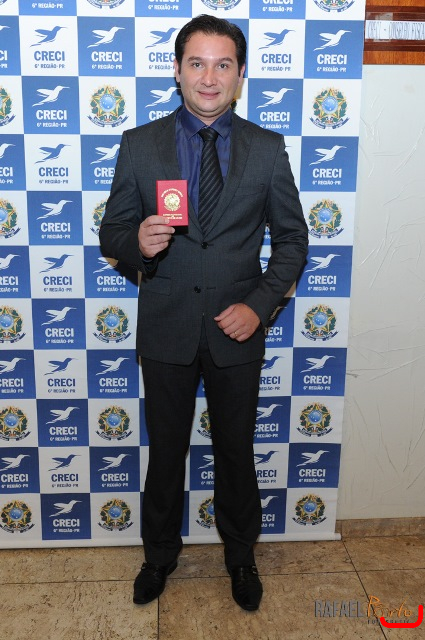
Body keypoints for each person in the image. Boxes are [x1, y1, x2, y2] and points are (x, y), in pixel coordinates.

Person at [99, 14, 308, 611]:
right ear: (177, 70)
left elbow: (293, 240)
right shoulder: (140, 143)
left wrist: (259, 307)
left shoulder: (267, 148)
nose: (209, 78)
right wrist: (136, 242)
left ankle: (241, 557)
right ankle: (158, 556)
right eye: (197, 63)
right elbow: (112, 231)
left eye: (222, 65)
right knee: (166, 452)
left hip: (236, 330)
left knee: (236, 453)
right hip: (165, 326)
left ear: (239, 75)